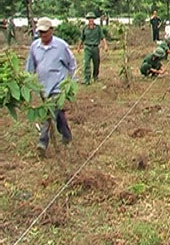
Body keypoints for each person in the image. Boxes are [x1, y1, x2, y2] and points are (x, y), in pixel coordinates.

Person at [25, 17, 76, 156]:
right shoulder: (35, 47)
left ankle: (42, 141)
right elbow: (30, 68)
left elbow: (71, 64)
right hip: (43, 88)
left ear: (51, 30)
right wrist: (27, 84)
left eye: (45, 32)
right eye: (41, 32)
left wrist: (70, 83)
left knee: (48, 112)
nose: (43, 35)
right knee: (58, 114)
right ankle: (66, 135)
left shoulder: (61, 46)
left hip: (59, 86)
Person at [78, 12, 108, 85]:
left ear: (94, 19)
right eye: (89, 19)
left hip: (95, 48)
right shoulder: (85, 28)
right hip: (87, 47)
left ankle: (95, 77)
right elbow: (82, 38)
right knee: (86, 63)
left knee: (96, 63)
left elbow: (102, 37)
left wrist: (105, 45)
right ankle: (86, 79)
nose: (90, 20)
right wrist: (79, 47)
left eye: (92, 18)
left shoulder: (98, 28)